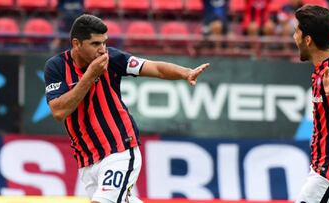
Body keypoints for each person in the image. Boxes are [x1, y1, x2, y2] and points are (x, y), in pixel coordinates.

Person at [44, 14, 209, 203]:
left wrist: (185, 72)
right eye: (95, 44)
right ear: (77, 44)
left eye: (104, 43)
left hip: (120, 149)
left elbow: (154, 68)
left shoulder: (112, 58)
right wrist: (90, 76)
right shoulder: (56, 67)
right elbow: (59, 111)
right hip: (88, 160)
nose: (102, 50)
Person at [293, 5, 329, 202]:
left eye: (296, 32)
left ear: (308, 40)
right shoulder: (326, 64)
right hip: (326, 169)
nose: (294, 37)